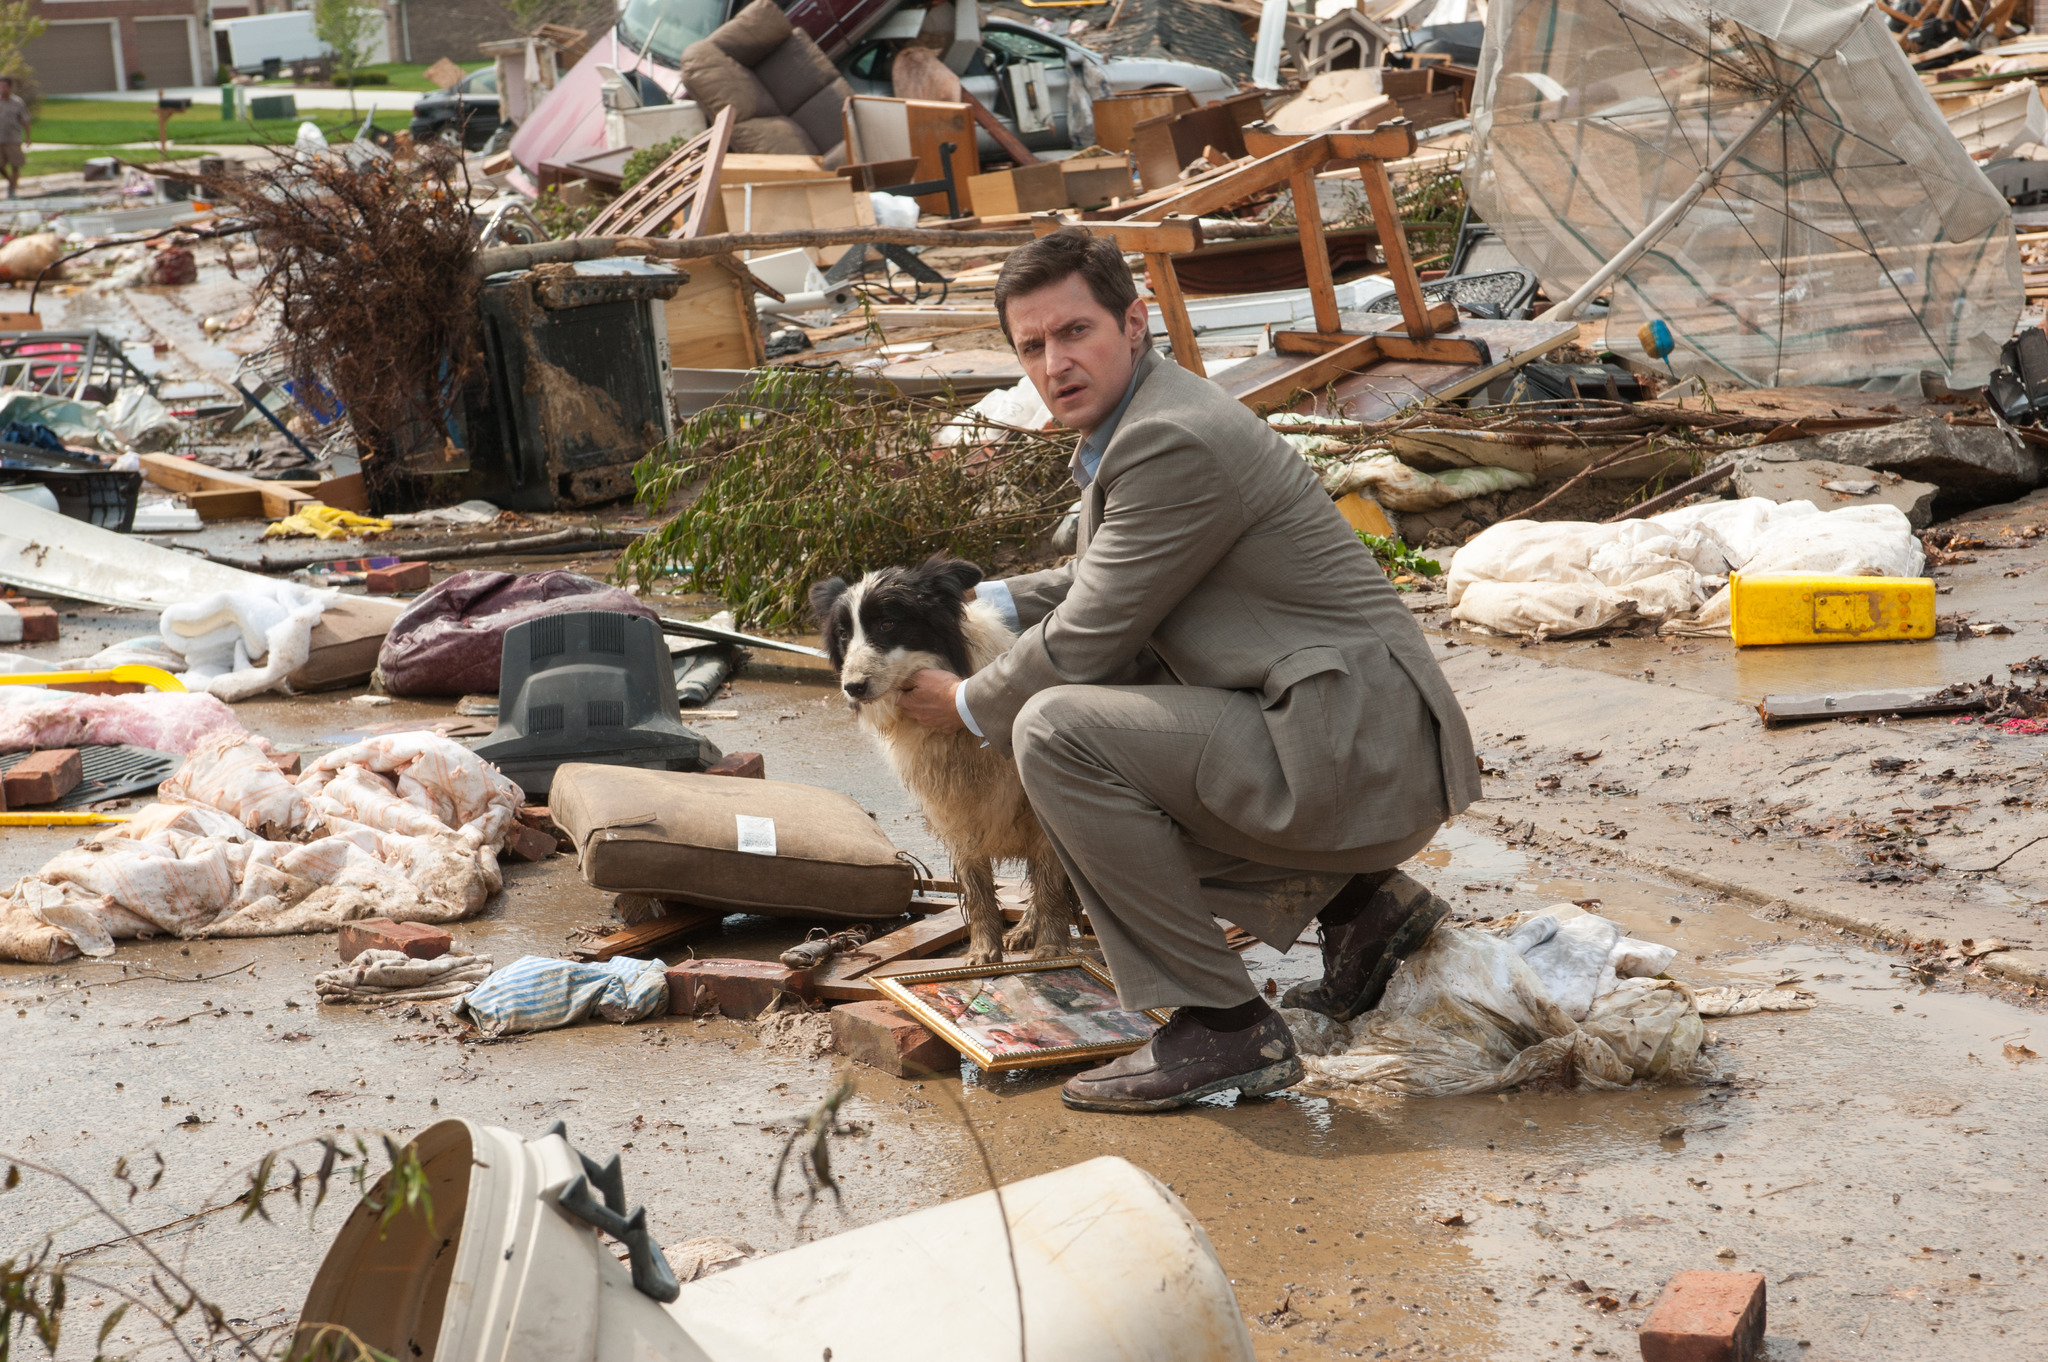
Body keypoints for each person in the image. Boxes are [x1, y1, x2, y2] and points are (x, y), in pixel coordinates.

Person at [894, 226, 1479, 1113]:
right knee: (1115, 716)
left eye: (1074, 332)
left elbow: (1091, 631)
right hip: (1344, 731)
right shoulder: (1148, 421)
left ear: (1134, 324)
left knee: (1055, 730)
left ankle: (1224, 1025)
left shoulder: (1171, 440)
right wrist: (984, 603)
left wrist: (969, 699)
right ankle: (1363, 908)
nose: (1055, 363)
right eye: (1032, 346)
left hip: (1356, 747)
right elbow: (1114, 572)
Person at [0, 78, 29, 199]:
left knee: (15, 164)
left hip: (13, 138)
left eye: (5, 86)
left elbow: (25, 120)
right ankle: (11, 182)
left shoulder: (17, 102)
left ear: (10, 87)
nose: (2, 89)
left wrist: (28, 137)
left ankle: (12, 189)